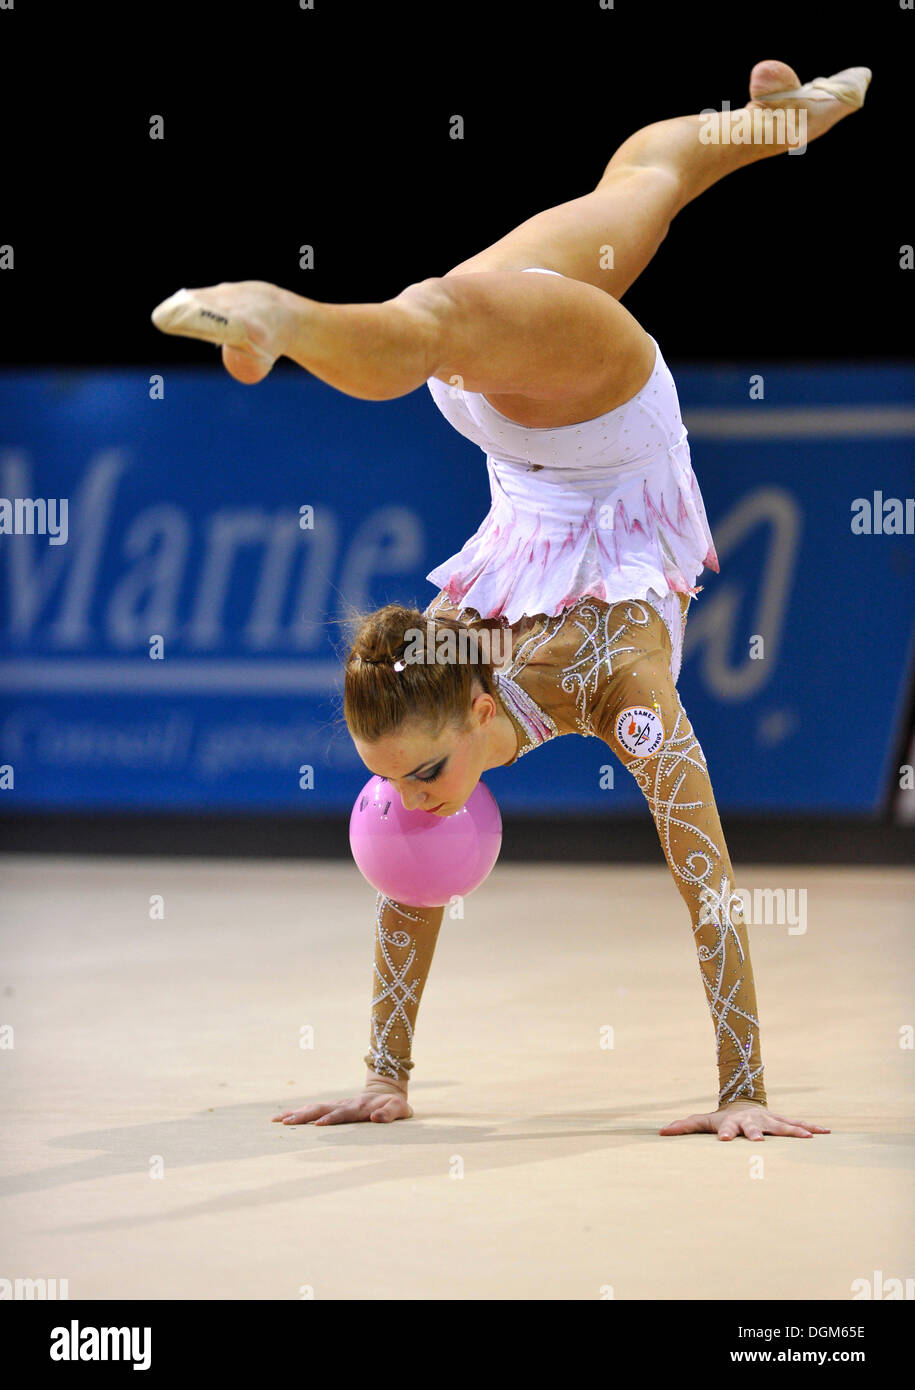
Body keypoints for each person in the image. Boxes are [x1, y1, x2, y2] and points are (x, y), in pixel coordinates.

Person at [152, 60, 870, 1139]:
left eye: (422, 776)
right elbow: (420, 882)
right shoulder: (544, 693)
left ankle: (280, 313)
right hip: (564, 417)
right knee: (635, 185)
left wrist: (745, 1092)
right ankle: (787, 115)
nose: (415, 806)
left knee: (517, 263)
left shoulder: (559, 678)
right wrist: (385, 1076)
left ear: (480, 715)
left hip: (594, 424)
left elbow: (707, 879)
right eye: (394, 789)